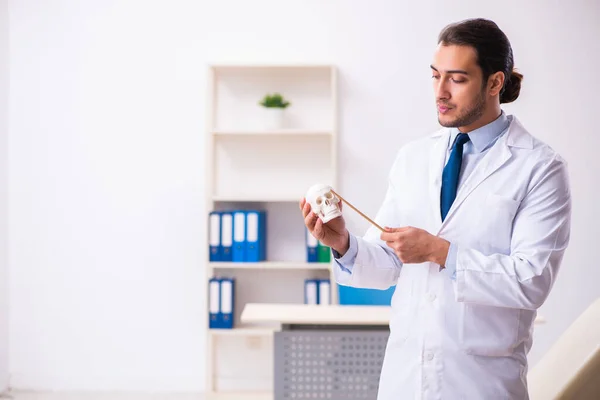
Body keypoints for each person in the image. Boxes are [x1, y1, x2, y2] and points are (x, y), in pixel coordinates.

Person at [300, 18, 571, 400]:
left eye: (457, 79)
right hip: (406, 379)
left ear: (495, 83)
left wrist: (439, 252)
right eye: (434, 76)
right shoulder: (413, 157)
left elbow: (530, 281)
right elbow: (390, 262)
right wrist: (344, 243)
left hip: (481, 383)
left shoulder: (539, 167)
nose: (440, 92)